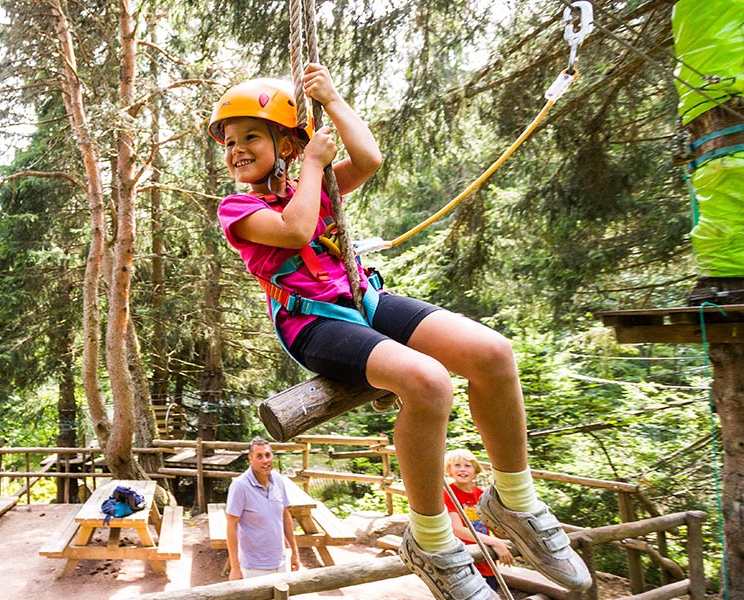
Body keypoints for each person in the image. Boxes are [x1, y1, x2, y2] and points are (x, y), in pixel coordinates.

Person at [210, 64, 590, 600]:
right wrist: (315, 163)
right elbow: (295, 230)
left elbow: (368, 159)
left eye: (252, 136)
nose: (237, 149)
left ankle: (516, 499)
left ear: (286, 143)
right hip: (313, 323)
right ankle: (433, 541)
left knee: (493, 353)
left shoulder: (314, 184)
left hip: (363, 298)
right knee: (430, 382)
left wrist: (334, 101)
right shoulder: (238, 206)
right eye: (230, 141)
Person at [224, 437, 302, 579]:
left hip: (280, 563)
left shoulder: (278, 480)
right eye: (259, 456)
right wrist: (235, 568)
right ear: (250, 459)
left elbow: (285, 516)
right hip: (253, 567)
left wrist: (295, 553)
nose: (265, 460)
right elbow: (231, 526)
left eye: (268, 455)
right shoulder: (240, 486)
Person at [444, 449, 515, 591]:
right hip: (464, 562)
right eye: (457, 465)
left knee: (491, 591)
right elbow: (457, 529)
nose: (462, 469)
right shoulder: (448, 493)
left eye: (467, 466)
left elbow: (494, 526)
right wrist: (495, 542)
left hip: (487, 561)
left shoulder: (482, 495)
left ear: (475, 471)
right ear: (449, 470)